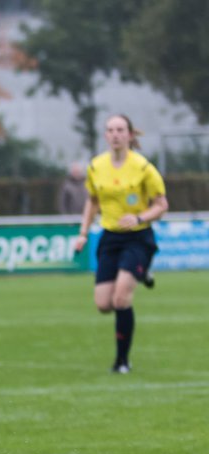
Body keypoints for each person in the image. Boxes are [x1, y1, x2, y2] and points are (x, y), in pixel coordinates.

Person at [71, 114, 168, 374]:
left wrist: (139, 217)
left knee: (122, 297)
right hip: (110, 237)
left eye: (120, 130)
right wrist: (83, 232)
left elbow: (161, 205)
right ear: (106, 135)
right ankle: (143, 272)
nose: (115, 134)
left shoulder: (143, 167)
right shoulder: (96, 166)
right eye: (110, 130)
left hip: (138, 237)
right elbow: (92, 201)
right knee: (104, 304)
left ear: (130, 135)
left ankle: (122, 361)